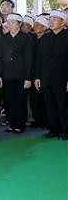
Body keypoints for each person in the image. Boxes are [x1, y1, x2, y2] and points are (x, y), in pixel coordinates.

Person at [0, 13, 34, 134]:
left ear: (19, 24)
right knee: (9, 100)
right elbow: (0, 58)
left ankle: (19, 125)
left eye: (13, 22)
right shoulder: (4, 38)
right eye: (8, 22)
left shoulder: (26, 38)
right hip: (7, 74)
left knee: (20, 100)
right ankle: (12, 124)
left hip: (21, 75)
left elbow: (29, 58)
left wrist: (28, 77)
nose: (10, 25)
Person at [34, 10, 68, 140]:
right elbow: (39, 59)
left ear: (63, 22)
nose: (51, 22)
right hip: (46, 77)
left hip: (62, 78)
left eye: (55, 19)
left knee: (63, 105)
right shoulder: (46, 38)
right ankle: (54, 129)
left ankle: (65, 130)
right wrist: (37, 76)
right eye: (50, 19)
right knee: (49, 104)